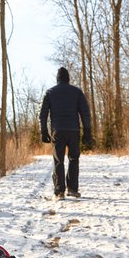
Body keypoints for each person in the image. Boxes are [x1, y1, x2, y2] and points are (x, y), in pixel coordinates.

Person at [40, 67, 93, 199]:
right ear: (68, 78)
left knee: (58, 160)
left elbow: (43, 114)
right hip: (73, 130)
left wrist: (44, 131)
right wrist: (87, 131)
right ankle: (73, 189)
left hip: (57, 131)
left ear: (57, 79)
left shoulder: (50, 92)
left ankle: (59, 191)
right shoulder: (77, 92)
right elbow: (85, 113)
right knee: (74, 159)